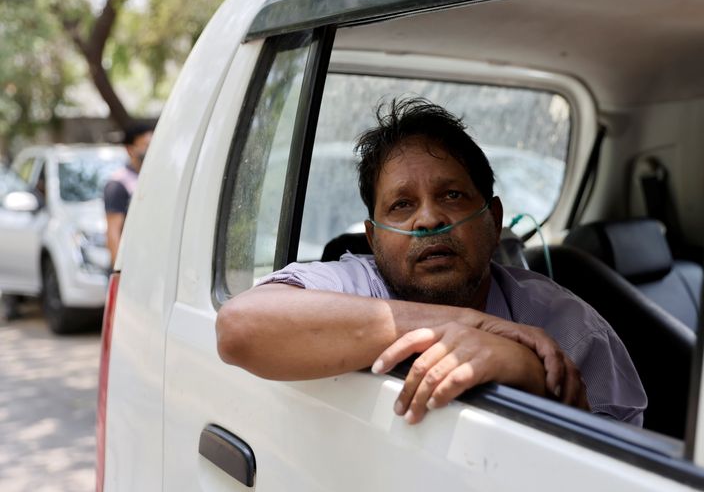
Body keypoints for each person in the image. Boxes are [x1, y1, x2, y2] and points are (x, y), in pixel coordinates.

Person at [216, 99, 646, 426]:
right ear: (374, 237)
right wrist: (457, 325)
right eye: (402, 205)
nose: (429, 219)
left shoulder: (571, 327)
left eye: (452, 196)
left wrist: (531, 376)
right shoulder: (352, 287)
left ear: (493, 221)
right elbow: (240, 327)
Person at [104, 123, 153, 265]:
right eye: (146, 145)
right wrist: (119, 271)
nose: (150, 151)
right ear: (130, 150)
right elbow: (113, 232)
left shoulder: (151, 178)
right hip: (131, 266)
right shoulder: (118, 184)